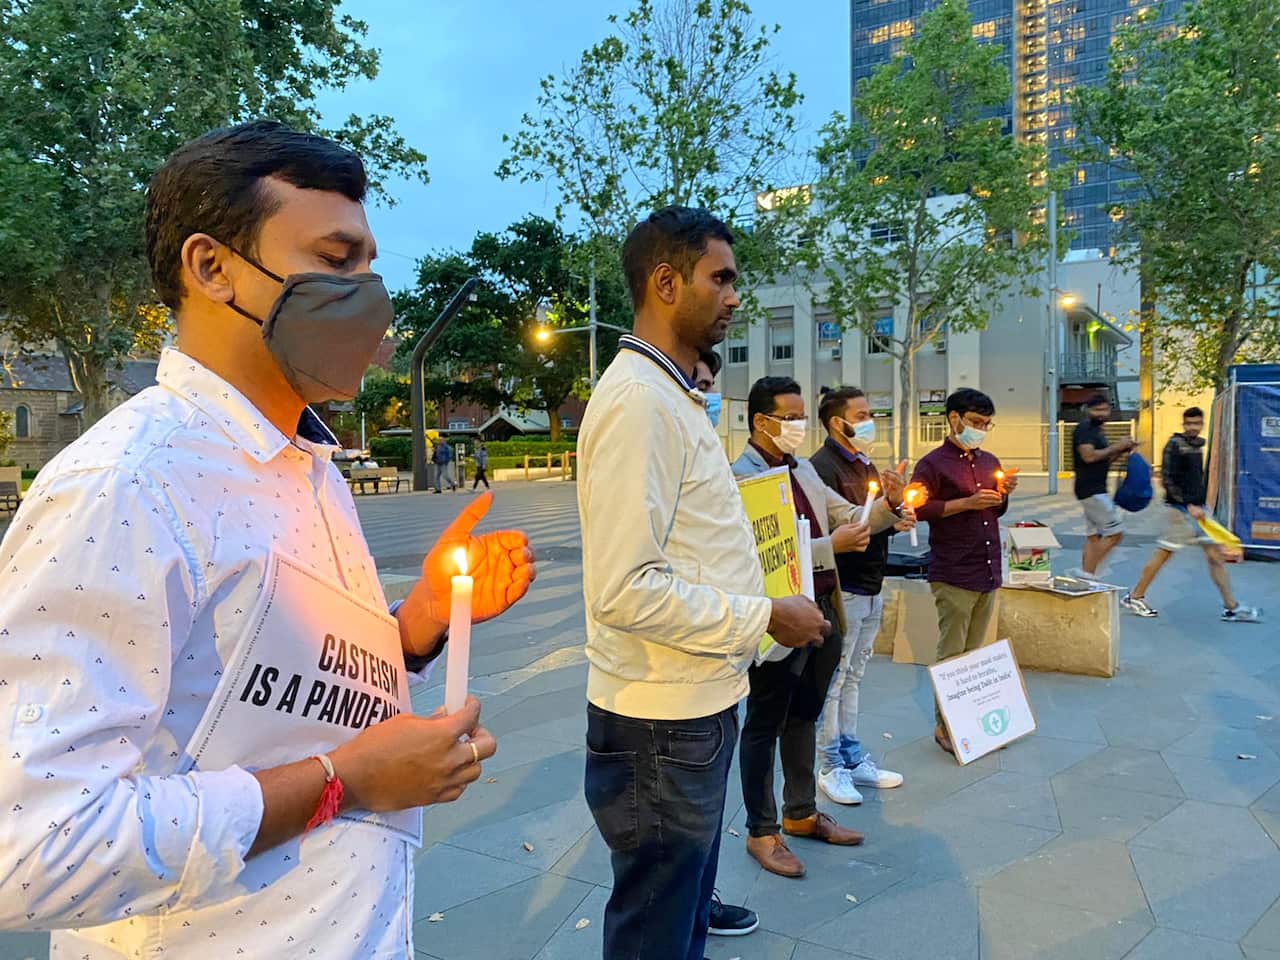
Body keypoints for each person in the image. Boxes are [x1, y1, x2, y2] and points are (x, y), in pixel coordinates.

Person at [0, 122, 536, 958]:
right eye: (334, 259)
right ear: (212, 267)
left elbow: (276, 694)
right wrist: (344, 783)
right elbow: (29, 850)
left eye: (368, 264)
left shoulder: (307, 460)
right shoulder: (125, 488)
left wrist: (419, 623)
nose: (368, 294)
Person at [578, 206, 828, 960]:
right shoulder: (637, 403)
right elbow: (623, 588)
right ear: (664, 282)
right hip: (661, 725)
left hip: (696, 706)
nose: (733, 296)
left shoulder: (671, 396)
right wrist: (762, 617)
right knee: (657, 930)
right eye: (720, 279)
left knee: (680, 921)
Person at [733, 377, 906, 879]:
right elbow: (755, 555)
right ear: (761, 422)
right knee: (764, 723)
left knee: (805, 714)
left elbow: (849, 516)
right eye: (789, 418)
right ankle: (762, 831)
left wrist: (887, 507)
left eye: (801, 415)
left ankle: (802, 812)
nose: (798, 426)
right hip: (780, 617)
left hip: (825, 608)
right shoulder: (739, 477)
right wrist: (834, 546)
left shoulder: (803, 469)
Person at [810, 386, 909, 805]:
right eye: (863, 413)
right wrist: (885, 512)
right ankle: (829, 764)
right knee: (834, 678)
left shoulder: (864, 462)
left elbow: (870, 519)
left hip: (872, 581)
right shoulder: (821, 468)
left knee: (854, 675)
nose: (871, 420)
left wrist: (896, 508)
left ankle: (851, 755)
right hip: (843, 586)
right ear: (838, 422)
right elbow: (842, 525)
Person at [911, 388, 1018, 755]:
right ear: (954, 418)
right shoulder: (932, 463)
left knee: (975, 657)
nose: (981, 430)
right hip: (954, 570)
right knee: (952, 655)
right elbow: (921, 510)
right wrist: (967, 503)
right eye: (975, 422)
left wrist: (1003, 493)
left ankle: (973, 721)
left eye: (987, 424)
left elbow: (994, 511)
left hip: (987, 567)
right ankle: (945, 726)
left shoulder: (988, 460)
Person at [1122, 407, 1262, 623]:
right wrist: (1187, 506)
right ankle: (1135, 596)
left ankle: (1231, 606)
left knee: (1215, 557)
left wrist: (1201, 505)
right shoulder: (1174, 445)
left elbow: (1196, 479)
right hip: (1179, 512)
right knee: (1163, 554)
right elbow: (1167, 479)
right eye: (1189, 424)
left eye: (1196, 424)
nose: (1193, 428)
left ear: (1202, 424)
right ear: (1183, 423)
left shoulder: (1198, 446)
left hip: (1198, 512)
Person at [1071, 393, 1136, 579]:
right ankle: (1085, 574)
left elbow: (1103, 462)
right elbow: (1089, 456)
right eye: (1097, 409)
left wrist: (1122, 450)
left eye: (1105, 409)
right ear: (1088, 410)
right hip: (1092, 491)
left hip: (1094, 489)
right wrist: (1117, 446)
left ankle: (1088, 577)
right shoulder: (1085, 429)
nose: (1102, 413)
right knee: (1116, 533)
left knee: (1094, 537)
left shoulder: (1098, 432)